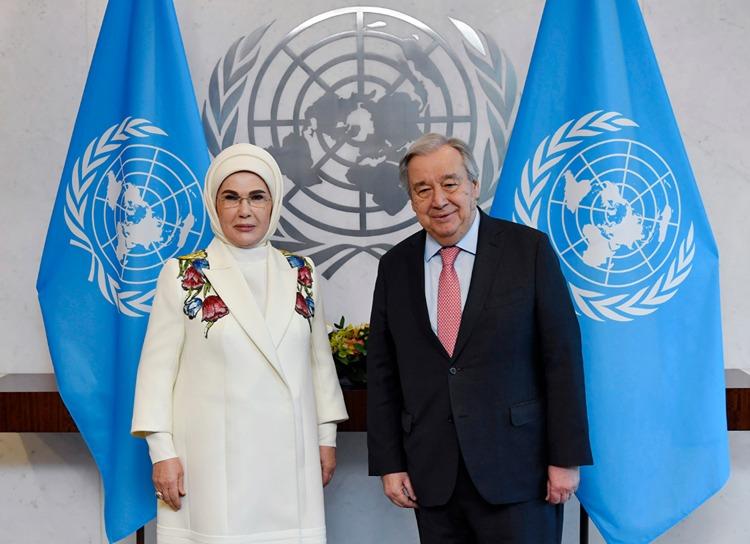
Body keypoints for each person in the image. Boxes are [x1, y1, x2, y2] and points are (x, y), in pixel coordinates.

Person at [367, 133, 593, 543]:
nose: (439, 200)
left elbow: (561, 359)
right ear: (412, 199)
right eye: (423, 189)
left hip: (520, 473)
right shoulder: (395, 266)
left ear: (473, 185)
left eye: (450, 183)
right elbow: (383, 372)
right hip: (433, 477)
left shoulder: (528, 250)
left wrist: (566, 458)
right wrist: (389, 463)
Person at [131, 143, 348, 544]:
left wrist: (326, 438)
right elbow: (157, 372)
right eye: (231, 197)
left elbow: (319, 364)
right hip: (211, 466)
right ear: (214, 205)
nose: (244, 210)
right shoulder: (183, 274)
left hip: (290, 462)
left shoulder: (302, 272)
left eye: (257, 197)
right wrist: (162, 453)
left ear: (273, 203)